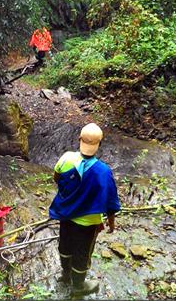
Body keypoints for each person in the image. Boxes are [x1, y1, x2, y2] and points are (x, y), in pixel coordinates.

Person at [48, 123, 121, 297]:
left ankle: (65, 275)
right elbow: (111, 203)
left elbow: (57, 178)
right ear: (99, 144)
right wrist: (111, 223)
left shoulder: (66, 158)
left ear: (79, 139)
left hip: (65, 215)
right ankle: (79, 286)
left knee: (65, 244)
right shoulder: (103, 171)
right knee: (83, 252)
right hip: (88, 223)